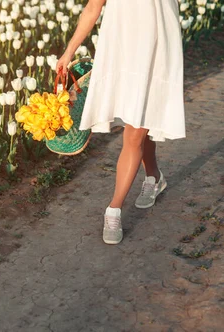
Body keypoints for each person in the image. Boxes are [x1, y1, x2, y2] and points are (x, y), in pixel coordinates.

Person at [56, 0, 186, 244]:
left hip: (157, 51)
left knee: (135, 131)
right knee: (137, 120)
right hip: (122, 50)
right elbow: (93, 8)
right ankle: (154, 177)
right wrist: (68, 51)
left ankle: (113, 210)